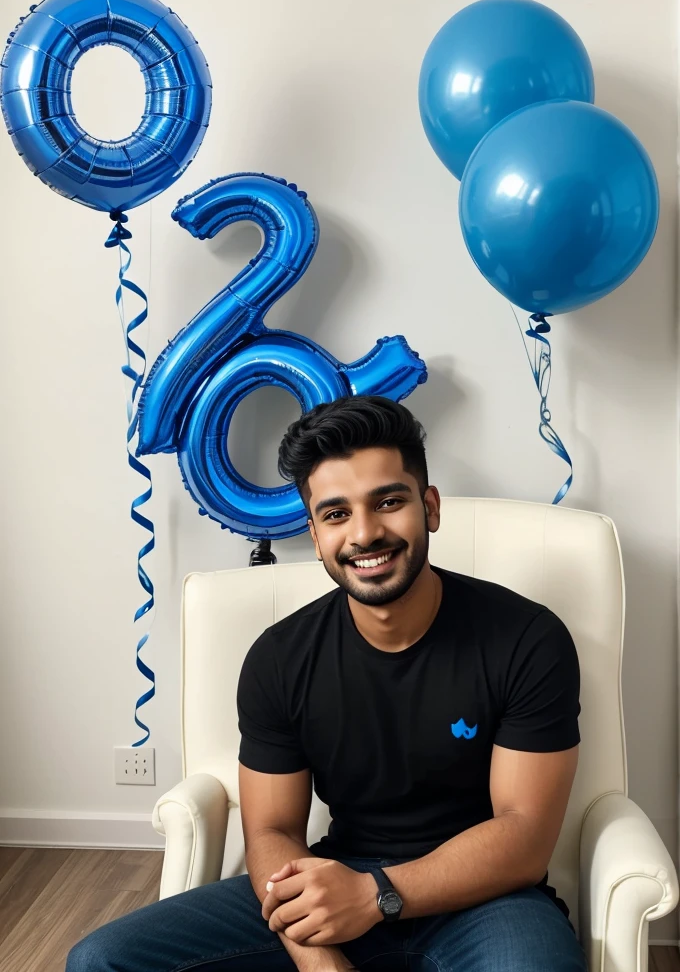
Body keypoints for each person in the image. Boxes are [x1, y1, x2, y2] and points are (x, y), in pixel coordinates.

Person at [66, 396, 587, 972]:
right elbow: (272, 830)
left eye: (389, 502)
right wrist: (318, 957)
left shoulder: (526, 638)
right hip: (332, 884)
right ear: (315, 535)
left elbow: (525, 834)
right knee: (101, 961)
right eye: (337, 514)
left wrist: (376, 896)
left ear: (430, 508)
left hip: (487, 896)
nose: (365, 534)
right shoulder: (280, 659)